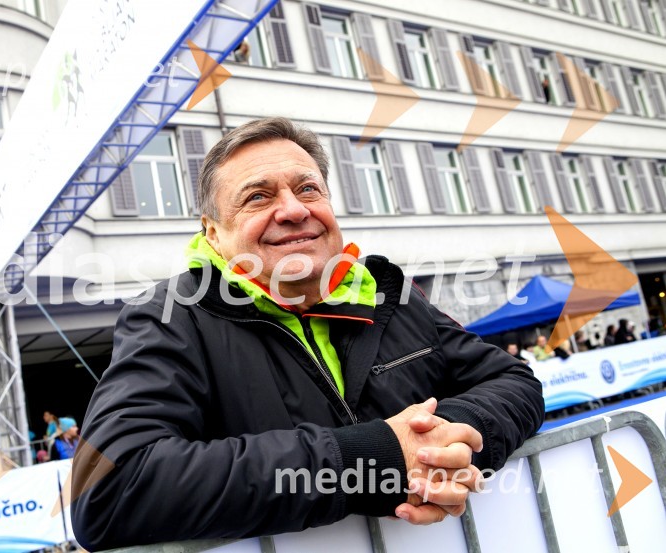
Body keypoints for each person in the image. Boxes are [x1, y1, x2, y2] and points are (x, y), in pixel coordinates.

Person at [71, 117, 544, 550]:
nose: (294, 210)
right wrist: (371, 461)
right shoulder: (170, 317)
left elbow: (515, 382)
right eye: (258, 197)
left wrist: (446, 445)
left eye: (308, 189)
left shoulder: (387, 293)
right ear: (212, 232)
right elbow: (108, 489)